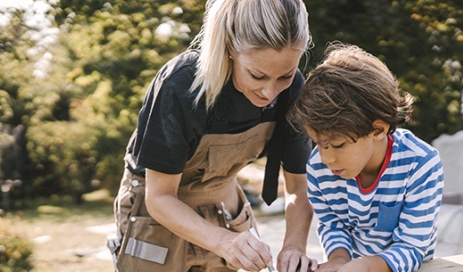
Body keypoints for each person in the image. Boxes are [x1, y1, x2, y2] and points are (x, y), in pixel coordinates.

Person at [111, 0, 318, 271]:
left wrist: (294, 246)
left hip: (223, 202)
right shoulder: (180, 85)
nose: (270, 93)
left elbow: (298, 187)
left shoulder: (292, 91)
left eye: (285, 75)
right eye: (257, 75)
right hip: (156, 211)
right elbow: (159, 197)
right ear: (229, 49)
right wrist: (224, 242)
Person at [287, 44, 445, 272]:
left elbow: (412, 247)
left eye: (338, 145)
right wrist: (339, 261)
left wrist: (364, 267)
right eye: (319, 144)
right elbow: (332, 225)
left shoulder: (421, 165)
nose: (327, 158)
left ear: (378, 129)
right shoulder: (318, 168)